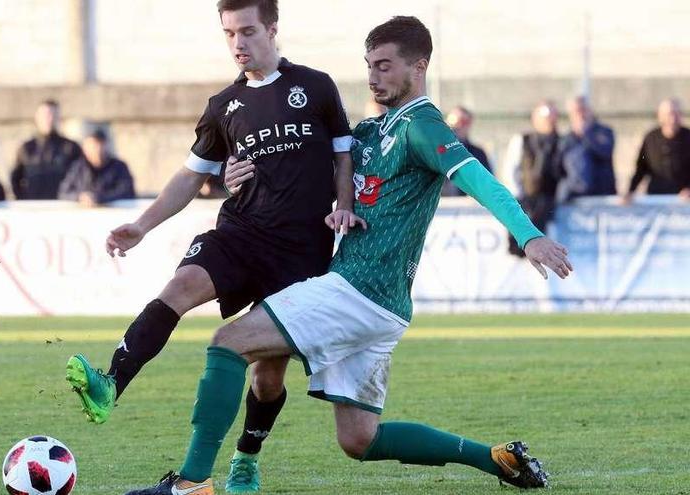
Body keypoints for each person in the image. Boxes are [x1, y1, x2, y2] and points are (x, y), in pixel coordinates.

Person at [123, 16, 572, 495]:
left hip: (359, 290)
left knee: (227, 341)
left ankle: (191, 483)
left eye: (384, 66)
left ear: (418, 68)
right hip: (382, 307)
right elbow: (295, 159)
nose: (373, 77)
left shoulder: (422, 127)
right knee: (359, 439)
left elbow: (478, 179)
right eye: (369, 66)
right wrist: (232, 170)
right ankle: (497, 460)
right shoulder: (371, 131)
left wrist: (528, 236)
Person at [64, 1, 358, 492]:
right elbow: (190, 176)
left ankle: (246, 459)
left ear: (272, 29)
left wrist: (343, 205)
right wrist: (142, 225)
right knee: (179, 286)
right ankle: (111, 382)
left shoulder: (316, 87)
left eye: (247, 31)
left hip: (299, 254)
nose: (238, 43)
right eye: (228, 34)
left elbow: (343, 154)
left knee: (267, 377)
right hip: (240, 235)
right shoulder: (224, 106)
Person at [504, 101, 562, 257]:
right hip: (525, 203)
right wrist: (518, 199)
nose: (548, 121)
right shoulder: (522, 140)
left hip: (551, 205)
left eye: (551, 116)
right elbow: (511, 171)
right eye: (544, 116)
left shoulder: (562, 142)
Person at [10, 99, 81, 200]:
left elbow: (82, 177)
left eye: (53, 115)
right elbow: (15, 179)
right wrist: (23, 199)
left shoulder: (71, 148)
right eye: (45, 115)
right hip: (32, 208)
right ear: (37, 118)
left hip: (64, 207)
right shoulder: (26, 148)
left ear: (59, 118)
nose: (49, 119)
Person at [623, 98, 690, 203]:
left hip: (684, 201)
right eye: (669, 114)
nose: (673, 119)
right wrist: (630, 191)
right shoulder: (650, 138)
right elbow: (641, 167)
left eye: (676, 114)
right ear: (660, 116)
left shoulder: (688, 137)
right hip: (656, 198)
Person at [557, 95, 616, 202]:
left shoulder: (604, 132)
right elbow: (559, 168)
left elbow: (605, 152)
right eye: (576, 111)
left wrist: (586, 133)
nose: (580, 114)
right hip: (574, 199)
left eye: (582, 109)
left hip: (602, 197)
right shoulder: (565, 140)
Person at [58, 129, 135, 206]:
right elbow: (64, 192)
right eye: (92, 146)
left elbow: (127, 191)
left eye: (98, 145)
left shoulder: (119, 167)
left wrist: (100, 198)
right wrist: (80, 197)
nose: (96, 150)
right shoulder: (78, 167)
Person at [441, 106, 491, 196]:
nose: (458, 126)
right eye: (455, 121)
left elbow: (486, 184)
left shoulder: (478, 154)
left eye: (464, 122)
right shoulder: (437, 151)